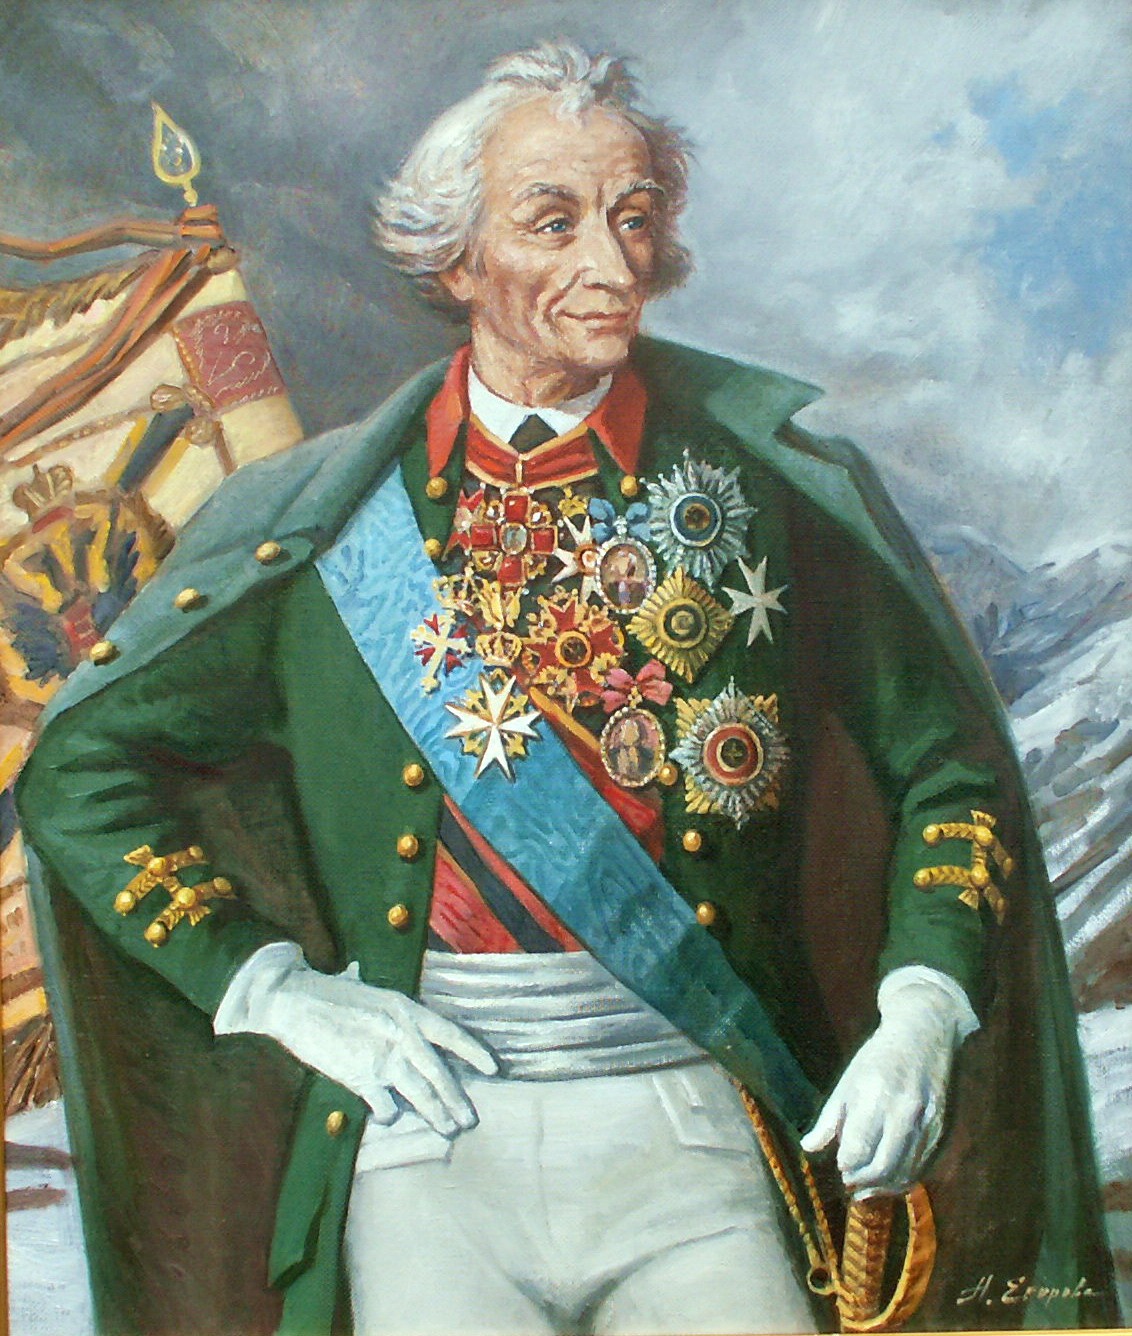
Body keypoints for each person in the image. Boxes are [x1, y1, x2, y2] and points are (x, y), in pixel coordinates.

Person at [17, 41, 1115, 1336]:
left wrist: (923, 1005)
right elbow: (80, 772)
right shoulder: (319, 526)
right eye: (555, 221)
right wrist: (278, 992)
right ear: (458, 261)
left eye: (633, 217)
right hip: (425, 1136)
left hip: (696, 1114)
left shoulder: (771, 490)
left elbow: (952, 768)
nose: (613, 263)